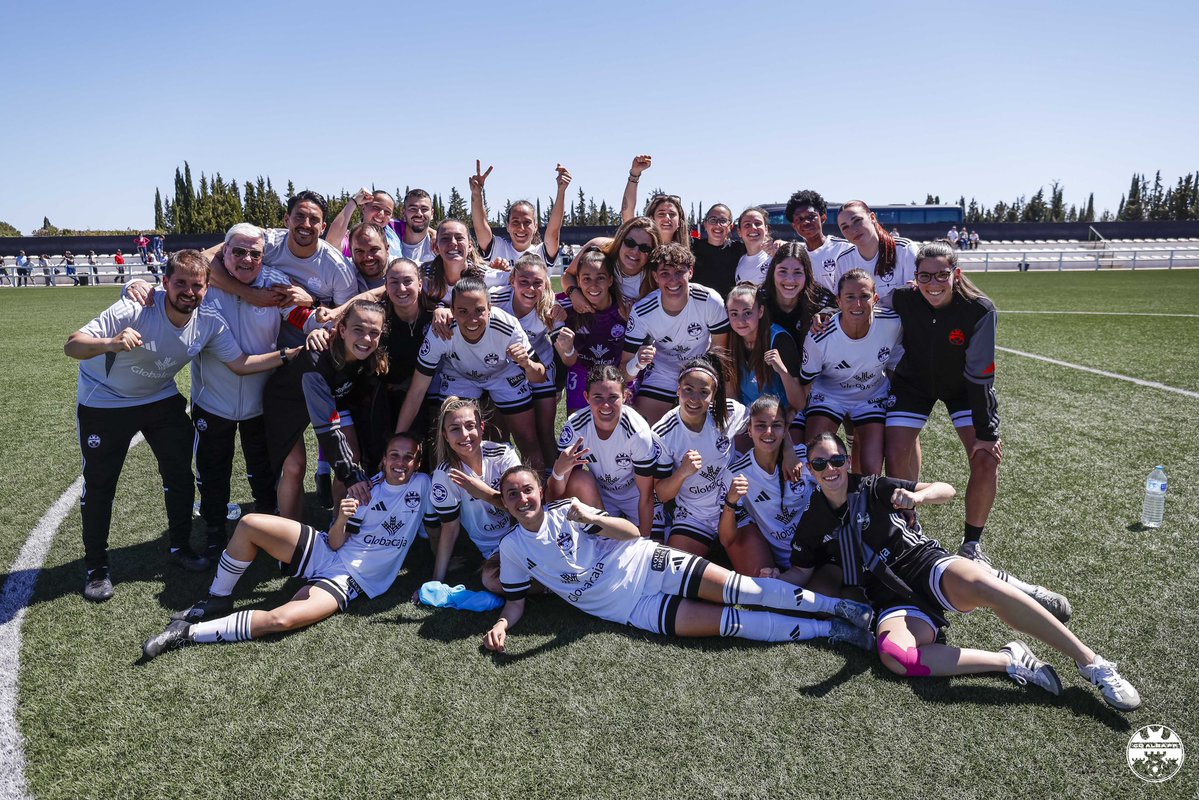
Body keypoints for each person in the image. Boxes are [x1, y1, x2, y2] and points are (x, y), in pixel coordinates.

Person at [782, 432, 1142, 712]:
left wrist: (919, 497)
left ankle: (1092, 664)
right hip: (890, 599)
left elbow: (947, 490)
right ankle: (1009, 661)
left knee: (984, 585)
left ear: (847, 462)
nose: (830, 469)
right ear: (810, 471)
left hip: (923, 564)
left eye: (836, 460)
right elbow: (800, 572)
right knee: (897, 658)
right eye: (820, 464)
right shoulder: (812, 522)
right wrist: (760, 583)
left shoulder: (873, 487)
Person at [65, 250, 300, 601]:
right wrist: (110, 343)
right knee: (101, 485)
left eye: (197, 285)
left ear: (207, 288)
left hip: (159, 399)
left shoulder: (208, 322)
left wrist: (290, 354)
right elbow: (72, 345)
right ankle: (96, 568)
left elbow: (240, 363)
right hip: (106, 403)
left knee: (179, 475)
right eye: (181, 284)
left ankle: (180, 547)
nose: (189, 292)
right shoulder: (135, 309)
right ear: (165, 283)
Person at [481, 465, 875, 653]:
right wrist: (501, 624)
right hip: (629, 608)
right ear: (504, 501)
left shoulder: (566, 509)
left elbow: (632, 533)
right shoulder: (514, 548)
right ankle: (829, 631)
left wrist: (589, 517)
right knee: (730, 623)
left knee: (742, 589)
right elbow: (516, 601)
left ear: (539, 490)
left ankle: (837, 607)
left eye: (527, 489)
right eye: (512, 494)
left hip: (642, 561)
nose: (522, 499)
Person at [122, 224, 321, 559]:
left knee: (263, 473)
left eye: (254, 253)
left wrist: (322, 325)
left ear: (263, 256)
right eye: (238, 251)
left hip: (261, 402)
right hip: (213, 399)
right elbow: (161, 294)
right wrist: (133, 284)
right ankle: (215, 533)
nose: (246, 259)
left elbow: (304, 317)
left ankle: (267, 530)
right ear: (223, 252)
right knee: (214, 472)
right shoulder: (204, 287)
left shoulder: (275, 284)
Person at [142, 432, 435, 659]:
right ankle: (218, 596)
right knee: (249, 524)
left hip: (350, 579)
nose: (401, 462)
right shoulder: (366, 490)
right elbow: (335, 542)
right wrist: (341, 518)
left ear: (418, 463)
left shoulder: (423, 484)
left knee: (280, 619)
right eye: (394, 455)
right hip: (327, 550)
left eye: (408, 457)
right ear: (383, 460)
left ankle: (186, 633)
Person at [884, 241, 1009, 567]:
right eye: (925, 277)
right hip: (914, 384)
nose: (933, 284)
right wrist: (824, 318)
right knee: (895, 451)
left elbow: (981, 375)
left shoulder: (979, 309)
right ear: (915, 278)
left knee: (985, 458)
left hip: (963, 389)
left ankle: (971, 545)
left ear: (956, 273)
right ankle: (906, 523)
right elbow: (865, 304)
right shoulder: (904, 298)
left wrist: (987, 431)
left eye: (941, 275)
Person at [394, 275, 549, 470]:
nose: (472, 319)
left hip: (503, 374)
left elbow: (540, 375)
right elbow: (416, 392)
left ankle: (538, 494)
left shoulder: (507, 326)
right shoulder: (441, 332)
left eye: (479, 310)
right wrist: (397, 439)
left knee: (527, 439)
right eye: (463, 311)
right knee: (450, 439)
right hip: (461, 376)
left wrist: (527, 364)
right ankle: (448, 490)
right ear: (452, 311)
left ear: (490, 309)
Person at [264, 300, 389, 521]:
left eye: (374, 332)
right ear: (342, 329)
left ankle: (337, 525)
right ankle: (291, 539)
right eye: (358, 329)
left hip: (333, 396)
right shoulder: (317, 361)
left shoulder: (369, 353)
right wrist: (351, 476)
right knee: (295, 466)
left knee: (352, 455)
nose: (366, 339)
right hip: (288, 401)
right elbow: (327, 429)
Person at [653, 354, 766, 571]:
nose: (694, 398)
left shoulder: (728, 412)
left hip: (734, 505)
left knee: (762, 577)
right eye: (688, 389)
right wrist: (682, 473)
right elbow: (661, 494)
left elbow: (767, 421)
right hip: (694, 515)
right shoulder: (663, 433)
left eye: (704, 392)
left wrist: (788, 449)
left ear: (714, 396)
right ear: (678, 389)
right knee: (673, 579)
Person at [799, 269, 902, 476]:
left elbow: (894, 366)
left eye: (865, 296)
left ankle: (860, 505)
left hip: (871, 396)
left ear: (876, 298)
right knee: (815, 460)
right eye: (850, 297)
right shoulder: (820, 335)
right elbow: (806, 383)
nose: (857, 304)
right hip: (829, 396)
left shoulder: (892, 323)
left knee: (870, 470)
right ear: (838, 301)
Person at [621, 243, 731, 424]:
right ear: (656, 276)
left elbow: (720, 355)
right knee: (643, 429)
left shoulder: (710, 300)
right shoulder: (642, 312)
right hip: (663, 374)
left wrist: (701, 378)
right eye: (665, 273)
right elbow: (624, 372)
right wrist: (637, 362)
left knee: (715, 427)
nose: (673, 280)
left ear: (691, 272)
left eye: (680, 272)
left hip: (702, 370)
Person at [549, 364, 660, 539]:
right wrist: (557, 473)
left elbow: (646, 495)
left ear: (625, 396)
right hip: (602, 494)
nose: (606, 405)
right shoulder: (576, 426)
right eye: (598, 397)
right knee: (576, 478)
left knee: (654, 546)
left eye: (613, 397)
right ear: (586, 397)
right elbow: (554, 495)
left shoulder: (637, 432)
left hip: (635, 497)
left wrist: (644, 543)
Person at [427, 397, 521, 592]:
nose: (465, 435)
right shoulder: (445, 475)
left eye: (470, 426)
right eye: (454, 429)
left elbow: (523, 508)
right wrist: (436, 580)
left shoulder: (504, 455)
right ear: (445, 435)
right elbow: (449, 528)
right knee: (491, 580)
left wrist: (485, 493)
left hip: (523, 532)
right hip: (494, 549)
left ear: (481, 427)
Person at [724, 394, 814, 572]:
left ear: (786, 429)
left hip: (821, 552)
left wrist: (790, 451)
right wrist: (730, 502)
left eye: (776, 425)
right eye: (760, 426)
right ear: (749, 430)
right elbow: (726, 539)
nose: (769, 432)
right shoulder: (737, 474)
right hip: (784, 564)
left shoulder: (806, 457)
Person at [489, 254, 564, 468]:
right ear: (512, 280)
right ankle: (506, 482)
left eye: (537, 283)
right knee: (499, 435)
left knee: (546, 436)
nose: (530, 289)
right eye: (524, 282)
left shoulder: (549, 307)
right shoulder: (493, 299)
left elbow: (564, 352)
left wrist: (559, 383)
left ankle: (552, 488)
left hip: (540, 365)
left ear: (546, 284)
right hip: (502, 370)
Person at [555, 248, 630, 412]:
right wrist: (553, 308)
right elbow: (544, 298)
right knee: (578, 423)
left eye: (600, 278)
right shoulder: (566, 304)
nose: (593, 285)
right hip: (582, 369)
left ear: (610, 280)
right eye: (586, 278)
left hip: (617, 370)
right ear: (578, 282)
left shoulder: (625, 308)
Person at [470, 161, 570, 267]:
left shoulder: (541, 253)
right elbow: (480, 227)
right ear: (507, 226)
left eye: (527, 222)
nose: (521, 228)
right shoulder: (498, 248)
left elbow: (553, 231)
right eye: (515, 222)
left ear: (535, 226)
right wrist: (477, 194)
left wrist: (561, 190)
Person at [725, 283, 804, 413]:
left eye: (748, 313)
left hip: (782, 413)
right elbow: (731, 395)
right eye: (734, 314)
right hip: (747, 414)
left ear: (760, 311)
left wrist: (783, 371)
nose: (741, 320)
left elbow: (799, 403)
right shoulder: (729, 340)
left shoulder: (779, 340)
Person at [561, 216, 659, 307]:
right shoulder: (597, 247)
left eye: (644, 248)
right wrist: (573, 294)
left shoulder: (656, 277)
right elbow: (568, 275)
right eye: (630, 243)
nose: (635, 251)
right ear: (620, 239)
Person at [835, 201, 919, 308]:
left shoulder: (905, 249)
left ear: (872, 218)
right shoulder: (843, 261)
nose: (853, 230)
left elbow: (915, 295)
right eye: (845, 227)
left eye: (857, 221)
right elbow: (840, 304)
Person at [785, 190, 850, 299]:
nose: (805, 222)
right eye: (799, 219)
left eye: (811, 217)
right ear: (794, 225)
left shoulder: (844, 249)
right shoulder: (796, 255)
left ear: (823, 218)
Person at [324, 188, 404, 259]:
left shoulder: (395, 229)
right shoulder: (351, 238)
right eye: (376, 207)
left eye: (387, 212)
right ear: (363, 207)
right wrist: (354, 202)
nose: (381, 214)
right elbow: (331, 243)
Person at [690, 204, 743, 299]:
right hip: (698, 307)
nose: (718, 225)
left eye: (723, 221)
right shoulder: (692, 247)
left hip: (728, 310)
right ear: (705, 225)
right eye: (713, 220)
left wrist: (778, 242)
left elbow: (759, 246)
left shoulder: (739, 249)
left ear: (730, 226)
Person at [733, 207, 775, 285]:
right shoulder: (740, 261)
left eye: (757, 223)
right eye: (747, 225)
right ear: (739, 232)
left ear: (766, 229)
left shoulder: (775, 256)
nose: (753, 228)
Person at [346, 222, 390, 292]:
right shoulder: (344, 272)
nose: (368, 257)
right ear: (351, 252)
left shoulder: (404, 270)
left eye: (374, 249)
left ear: (387, 249)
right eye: (360, 251)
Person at [397, 189, 436, 265]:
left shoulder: (439, 245)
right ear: (404, 212)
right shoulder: (390, 238)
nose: (419, 214)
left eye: (424, 209)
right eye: (413, 209)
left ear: (432, 213)